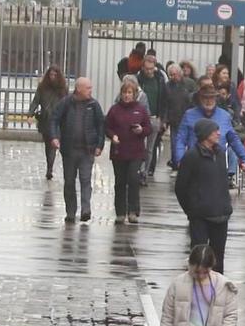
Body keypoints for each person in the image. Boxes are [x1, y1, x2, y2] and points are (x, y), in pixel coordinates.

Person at [175, 118, 235, 267]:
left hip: (221, 213)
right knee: (199, 256)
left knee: (218, 258)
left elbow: (222, 182)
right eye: (215, 131)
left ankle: (216, 288)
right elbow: (181, 187)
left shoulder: (220, 153)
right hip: (200, 216)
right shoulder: (192, 156)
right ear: (205, 134)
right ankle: (197, 287)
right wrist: (192, 210)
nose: (219, 133)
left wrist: (226, 205)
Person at [47, 76, 106, 224]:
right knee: (69, 182)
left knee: (86, 180)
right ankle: (71, 212)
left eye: (91, 88)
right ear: (78, 89)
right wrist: (54, 137)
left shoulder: (94, 105)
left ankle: (86, 210)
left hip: (87, 150)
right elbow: (54, 120)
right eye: (88, 88)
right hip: (69, 150)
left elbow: (100, 125)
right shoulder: (66, 103)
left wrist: (99, 145)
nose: (90, 91)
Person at [104, 77, 152, 225]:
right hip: (119, 151)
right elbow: (107, 127)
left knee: (133, 179)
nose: (126, 95)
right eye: (124, 92)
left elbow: (148, 128)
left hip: (136, 152)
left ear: (134, 94)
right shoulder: (114, 110)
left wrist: (141, 130)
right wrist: (113, 136)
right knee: (120, 182)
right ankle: (120, 212)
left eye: (129, 92)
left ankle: (133, 211)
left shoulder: (140, 109)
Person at [175, 82, 245, 174]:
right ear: (200, 99)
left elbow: (234, 140)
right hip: (195, 163)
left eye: (211, 98)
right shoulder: (189, 115)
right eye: (205, 98)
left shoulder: (225, 116)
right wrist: (180, 159)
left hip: (217, 164)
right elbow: (181, 139)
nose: (208, 101)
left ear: (216, 99)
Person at [156, 61, 200, 181]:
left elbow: (197, 99)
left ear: (180, 73)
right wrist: (164, 120)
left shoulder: (190, 84)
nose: (173, 77)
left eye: (174, 74)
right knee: (175, 144)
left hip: (189, 120)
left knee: (191, 144)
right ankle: (176, 167)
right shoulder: (167, 86)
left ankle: (190, 167)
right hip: (174, 119)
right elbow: (163, 103)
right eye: (170, 74)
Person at [30, 66, 67, 180]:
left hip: (58, 121)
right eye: (50, 75)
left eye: (55, 75)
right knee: (48, 146)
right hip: (46, 120)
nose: (52, 77)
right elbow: (36, 101)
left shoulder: (63, 89)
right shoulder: (42, 88)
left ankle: (50, 169)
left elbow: (67, 103)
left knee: (53, 144)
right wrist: (30, 114)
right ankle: (49, 166)